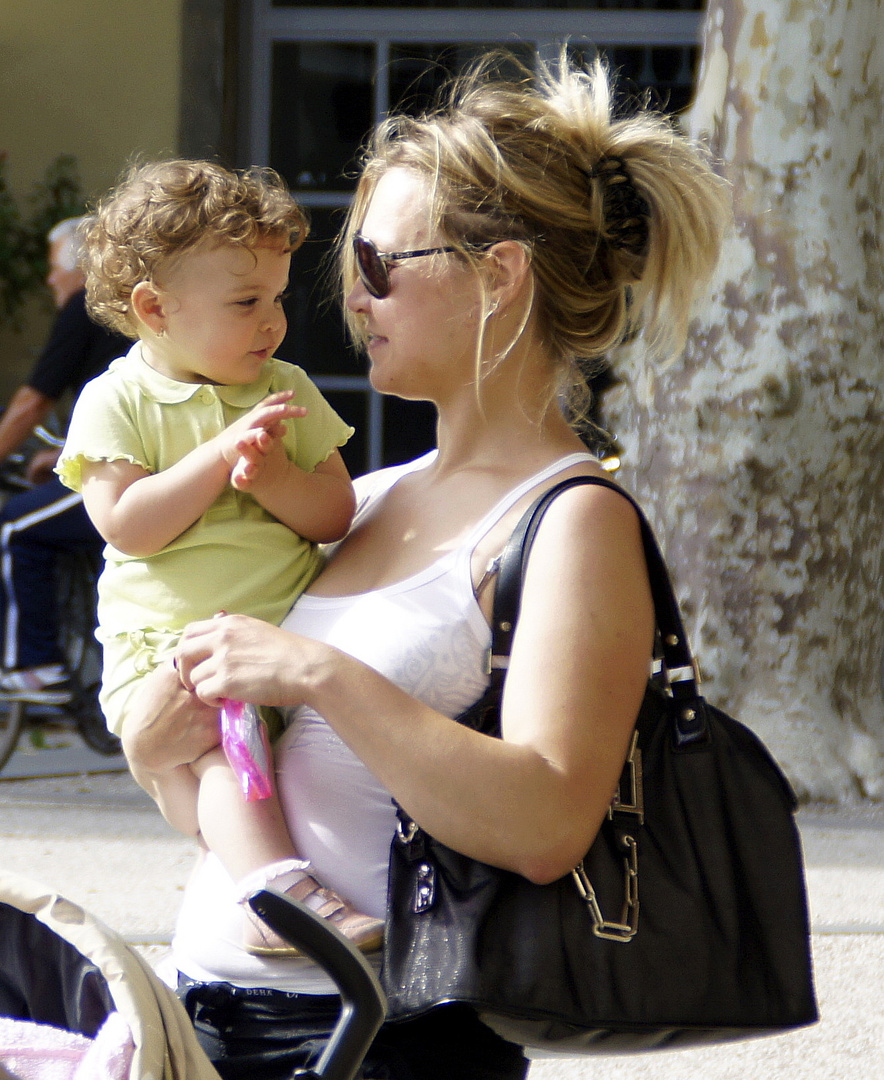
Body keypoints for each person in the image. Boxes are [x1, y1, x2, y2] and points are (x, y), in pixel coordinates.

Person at [120, 55, 731, 1080]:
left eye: (379, 263)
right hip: (213, 1011)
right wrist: (152, 744)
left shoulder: (568, 521)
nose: (353, 301)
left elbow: (543, 823)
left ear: (498, 274)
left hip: (384, 1041)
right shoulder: (360, 497)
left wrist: (314, 673)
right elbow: (243, 787)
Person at [55, 160, 383, 955]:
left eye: (275, 298)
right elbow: (127, 525)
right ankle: (279, 896)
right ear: (154, 308)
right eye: (246, 303)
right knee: (219, 760)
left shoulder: (286, 387)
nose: (272, 322)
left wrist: (271, 474)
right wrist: (219, 456)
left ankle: (259, 898)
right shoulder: (117, 400)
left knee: (231, 779)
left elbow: (335, 511)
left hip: (274, 651)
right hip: (167, 657)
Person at [0, 216, 129, 704]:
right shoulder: (120, 308)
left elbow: (32, 403)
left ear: (78, 266)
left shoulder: (84, 306)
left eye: (54, 267)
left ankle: (36, 665)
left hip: (120, 475)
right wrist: (62, 452)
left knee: (14, 525)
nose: (50, 278)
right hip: (136, 464)